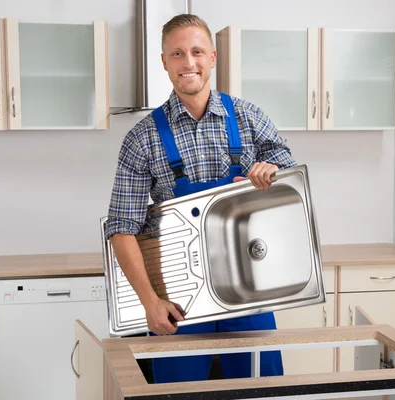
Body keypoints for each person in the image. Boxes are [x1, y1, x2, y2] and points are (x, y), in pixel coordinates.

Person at [105, 13, 297, 383]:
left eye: (196, 51)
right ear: (164, 62)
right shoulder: (141, 139)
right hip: (178, 300)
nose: (188, 62)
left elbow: (292, 183)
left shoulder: (250, 118)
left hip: (250, 290)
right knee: (177, 392)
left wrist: (272, 172)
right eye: (177, 54)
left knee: (262, 388)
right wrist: (151, 303)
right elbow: (121, 228)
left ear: (213, 56)